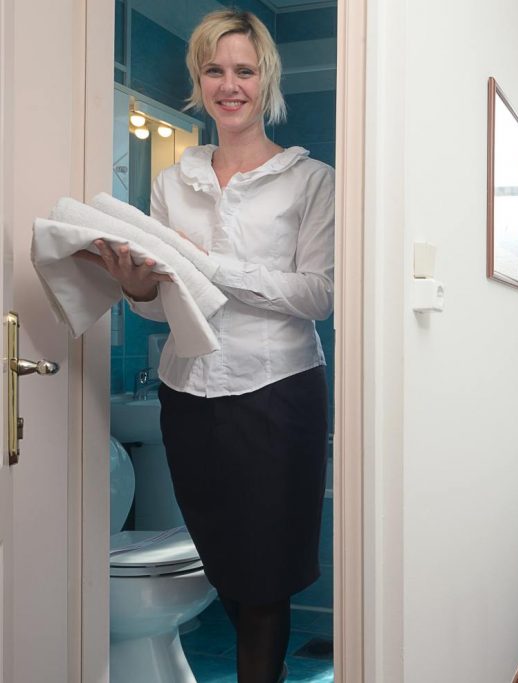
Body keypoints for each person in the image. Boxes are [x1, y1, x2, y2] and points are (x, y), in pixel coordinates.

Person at [76, 9, 333, 682]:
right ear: (198, 79)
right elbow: (165, 303)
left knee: (267, 576)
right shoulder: (172, 181)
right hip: (187, 394)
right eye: (214, 70)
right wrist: (137, 288)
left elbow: (318, 295)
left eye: (244, 70)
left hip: (278, 392)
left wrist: (209, 263)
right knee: (223, 566)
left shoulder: (311, 180)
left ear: (266, 78)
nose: (229, 85)